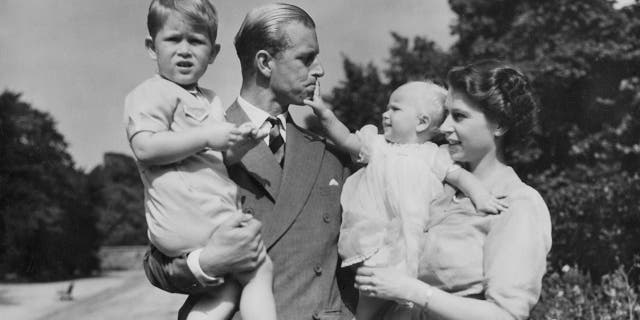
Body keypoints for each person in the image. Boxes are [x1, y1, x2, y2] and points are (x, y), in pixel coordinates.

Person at [142, 3, 356, 320]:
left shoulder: (331, 155)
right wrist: (209, 262)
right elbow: (156, 263)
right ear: (265, 63)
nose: (320, 70)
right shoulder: (192, 143)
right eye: (306, 58)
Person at [352, 60, 552, 320]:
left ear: (500, 125)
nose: (444, 127)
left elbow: (505, 315)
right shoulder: (436, 188)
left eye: (459, 116)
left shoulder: (518, 204)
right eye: (446, 115)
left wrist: (413, 290)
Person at [123, 1, 276, 319]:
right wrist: (207, 136)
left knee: (228, 286)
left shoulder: (209, 99)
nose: (184, 51)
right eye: (173, 39)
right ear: (152, 47)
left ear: (213, 53)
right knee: (260, 267)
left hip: (208, 217)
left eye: (195, 41)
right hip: (188, 218)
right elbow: (145, 148)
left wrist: (239, 146)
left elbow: (217, 158)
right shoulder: (151, 93)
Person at [305, 81, 507, 319]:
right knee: (370, 296)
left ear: (421, 122)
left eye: (395, 109)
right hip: (375, 239)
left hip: (412, 240)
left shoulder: (433, 155)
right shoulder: (378, 145)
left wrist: (481, 196)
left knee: (406, 302)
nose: (385, 114)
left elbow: (461, 177)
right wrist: (324, 112)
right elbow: (346, 138)